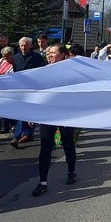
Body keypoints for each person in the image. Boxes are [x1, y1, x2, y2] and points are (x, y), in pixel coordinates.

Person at [32, 44, 77, 197]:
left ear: (63, 54)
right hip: (47, 114)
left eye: (53, 52)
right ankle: (42, 182)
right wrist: (32, 114)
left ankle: (71, 171)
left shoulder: (71, 71)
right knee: (45, 146)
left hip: (65, 113)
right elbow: (37, 93)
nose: (49, 55)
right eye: (48, 53)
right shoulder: (43, 70)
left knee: (67, 142)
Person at [10, 37, 46, 146]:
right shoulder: (15, 57)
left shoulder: (37, 57)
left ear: (30, 45)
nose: (23, 47)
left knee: (29, 112)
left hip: (32, 88)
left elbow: (42, 72)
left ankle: (23, 135)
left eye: (25, 45)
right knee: (21, 112)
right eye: (21, 45)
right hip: (19, 89)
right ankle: (21, 135)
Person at [0, 47, 15, 133]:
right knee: (1, 107)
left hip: (10, 87)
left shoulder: (14, 62)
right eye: (3, 56)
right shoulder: (0, 61)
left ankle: (12, 125)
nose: (5, 58)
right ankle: (4, 127)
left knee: (10, 108)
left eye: (7, 56)